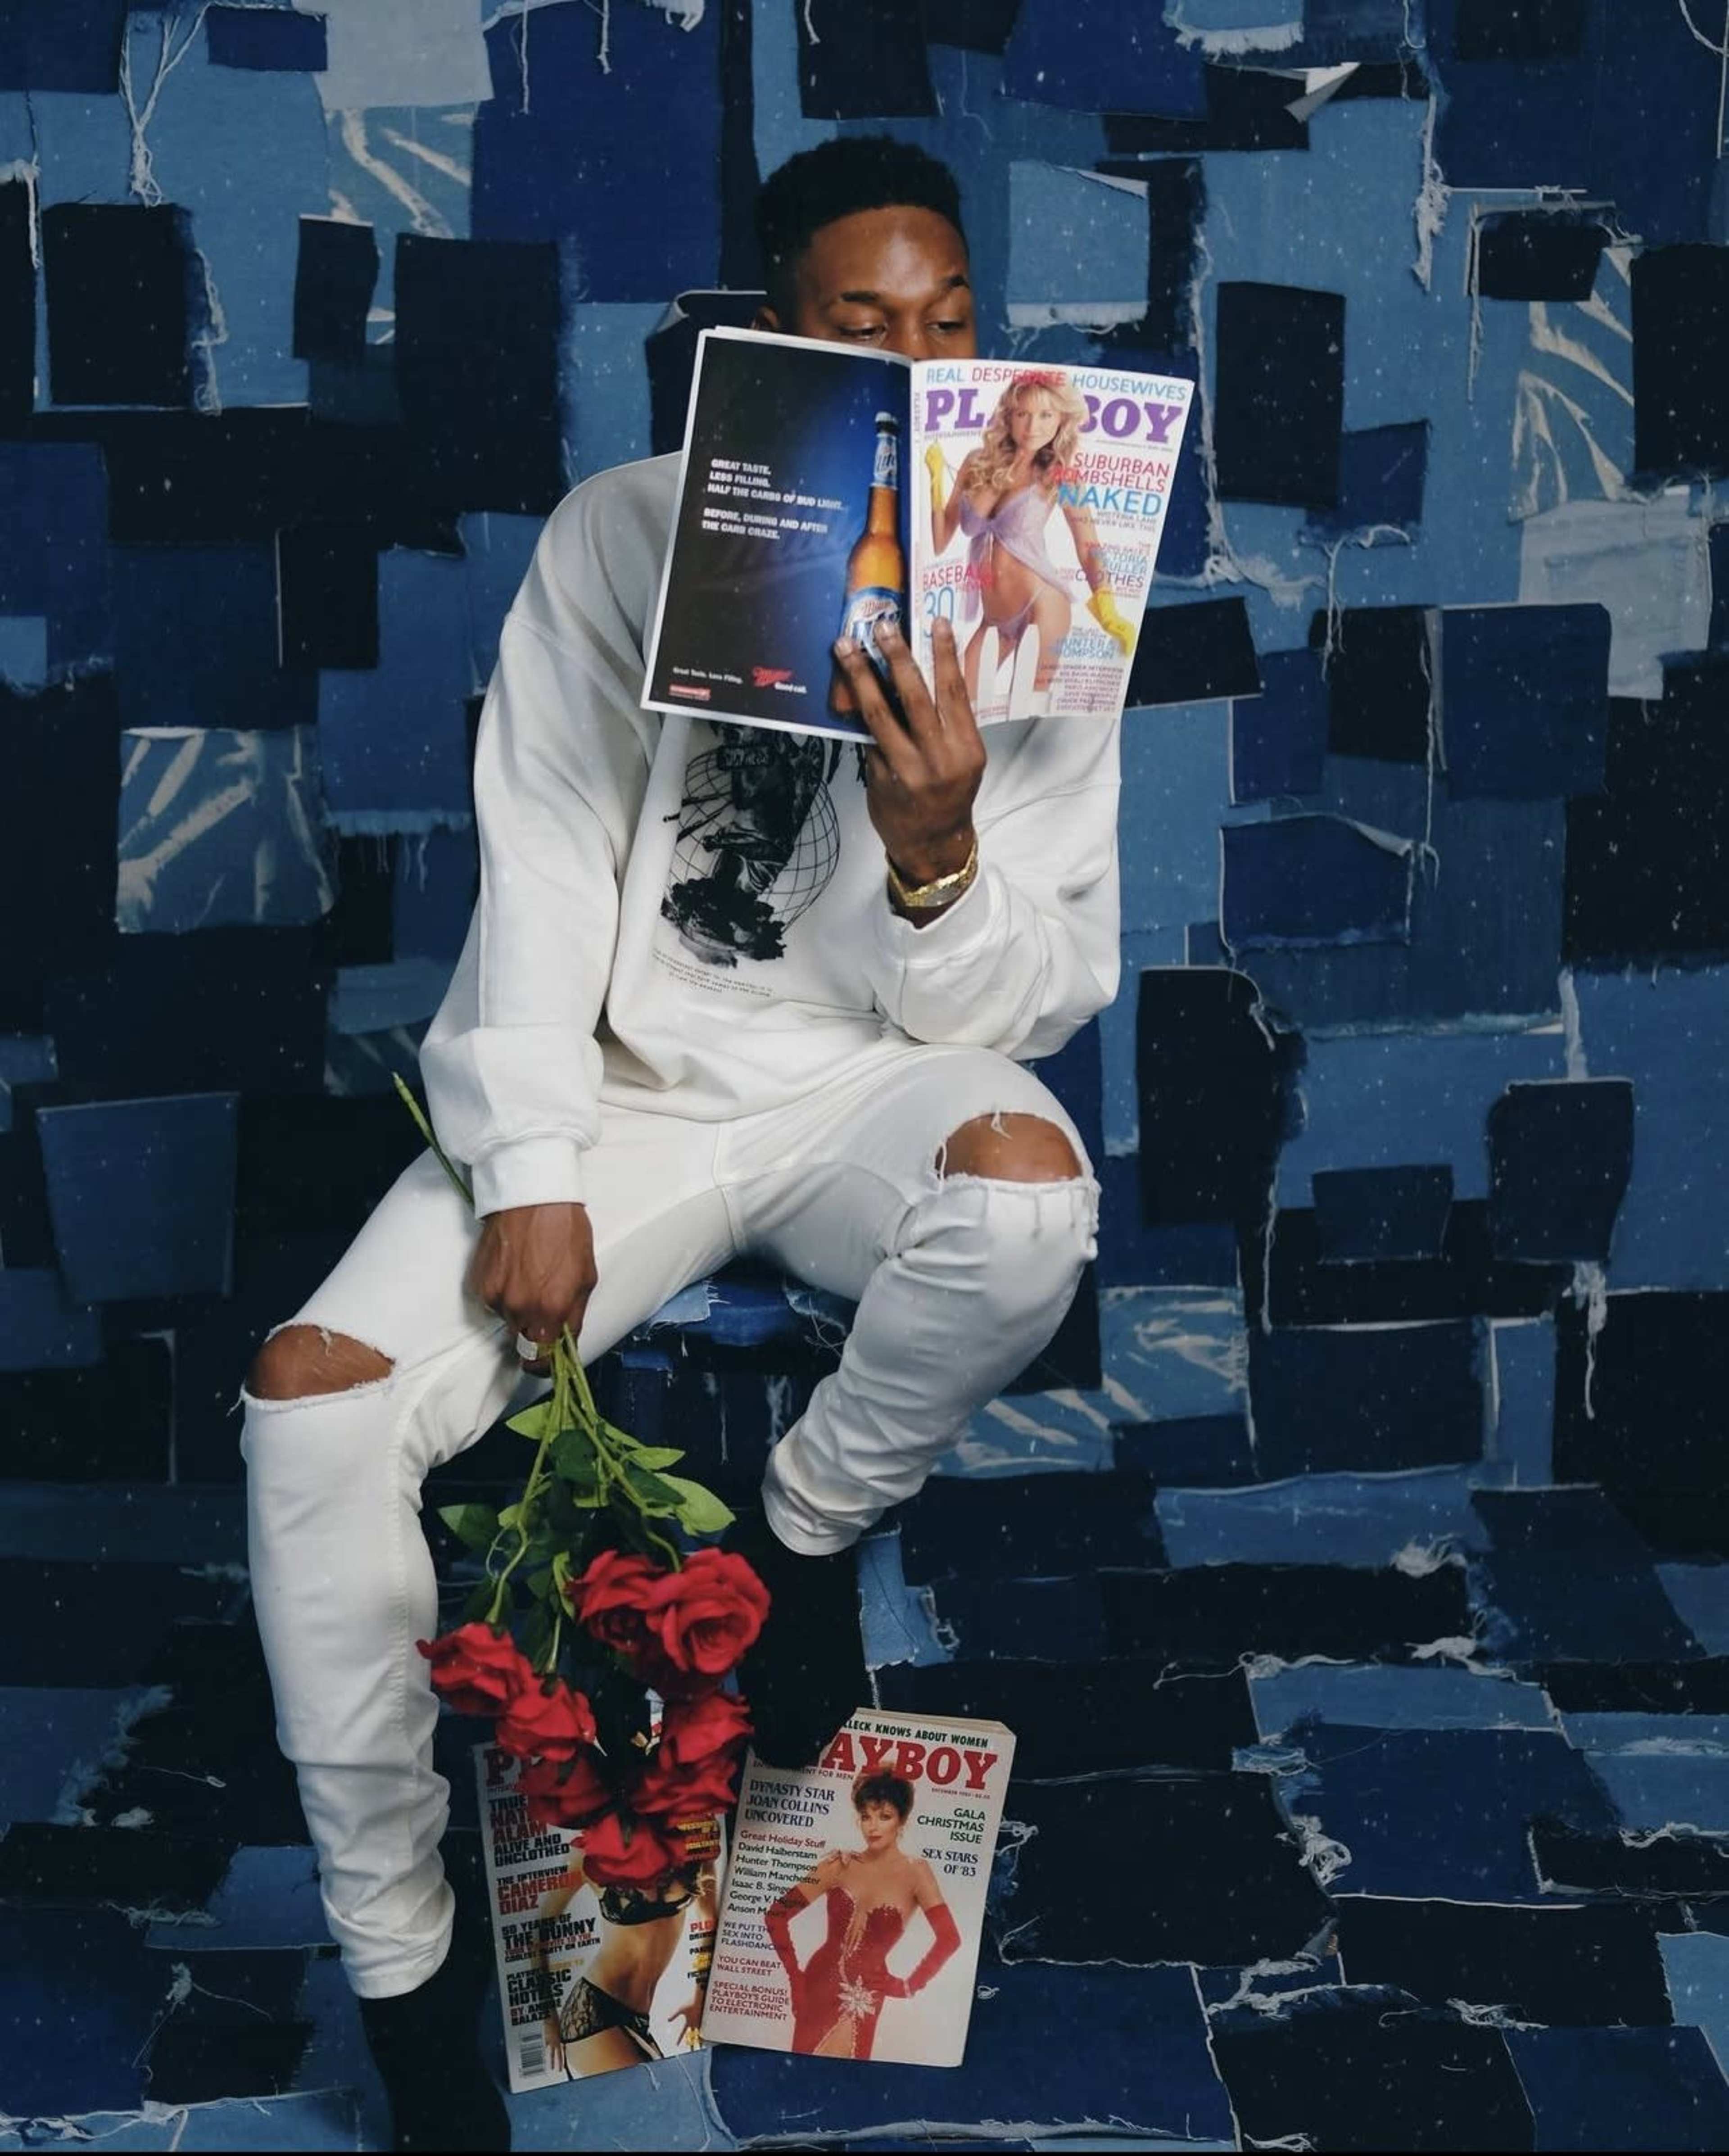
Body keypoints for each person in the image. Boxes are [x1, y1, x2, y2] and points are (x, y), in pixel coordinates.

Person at [240, 134, 1115, 2151]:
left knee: (1024, 1204)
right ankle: (408, 1972)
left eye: (952, 328)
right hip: (627, 1090)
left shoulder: (1044, 576)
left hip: (864, 1083)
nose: (910, 362)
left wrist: (938, 848)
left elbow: (1033, 999)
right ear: (764, 338)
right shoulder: (616, 537)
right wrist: (534, 1162)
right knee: (309, 1405)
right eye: (857, 327)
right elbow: (540, 861)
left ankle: (804, 1534)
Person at [925, 371, 1137, 717]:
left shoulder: (1061, 475)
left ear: (1061, 421)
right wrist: (934, 482)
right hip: (993, 619)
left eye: (1046, 416)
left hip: (1044, 605)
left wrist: (1108, 608)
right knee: (950, 710)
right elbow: (940, 540)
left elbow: (1088, 547)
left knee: (1024, 717)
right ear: (1008, 415)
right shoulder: (976, 463)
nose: (1033, 427)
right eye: (1023, 414)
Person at [763, 1770, 961, 2060]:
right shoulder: (838, 1866)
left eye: (885, 1816)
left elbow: (950, 1939)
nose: (873, 1826)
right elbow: (776, 1915)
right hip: (816, 1986)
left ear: (902, 1821)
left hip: (866, 1995)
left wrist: (909, 1985)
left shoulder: (917, 1873)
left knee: (846, 2080)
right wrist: (796, 1979)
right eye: (866, 1816)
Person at [529, 1848, 716, 2076]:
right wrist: (548, 2021)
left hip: (640, 2019)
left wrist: (699, 1998)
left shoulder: (693, 1843)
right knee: (658, 2097)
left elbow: (708, 1924)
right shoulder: (591, 1851)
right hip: (593, 2013)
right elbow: (539, 1933)